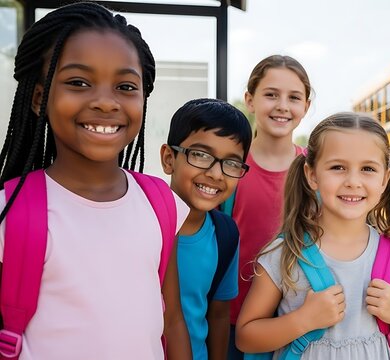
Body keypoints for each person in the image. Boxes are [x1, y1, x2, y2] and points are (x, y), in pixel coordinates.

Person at [0, 2, 192, 359]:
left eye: (125, 86)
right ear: (40, 98)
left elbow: (174, 319)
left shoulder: (160, 203)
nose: (106, 102)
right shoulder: (10, 211)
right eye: (78, 82)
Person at [235, 112, 390, 359]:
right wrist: (302, 320)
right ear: (312, 175)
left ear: (385, 180)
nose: (353, 181)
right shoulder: (284, 254)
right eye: (338, 167)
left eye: (368, 168)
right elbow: (245, 337)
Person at [227, 55, 312, 358]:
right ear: (250, 100)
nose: (282, 106)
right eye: (271, 94)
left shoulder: (314, 171)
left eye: (293, 97)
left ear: (306, 106)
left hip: (300, 319)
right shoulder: (231, 166)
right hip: (233, 316)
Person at [160, 98, 252, 360]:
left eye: (232, 163)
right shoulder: (140, 223)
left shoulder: (224, 234)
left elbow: (219, 313)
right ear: (169, 158)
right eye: (200, 155)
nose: (216, 174)